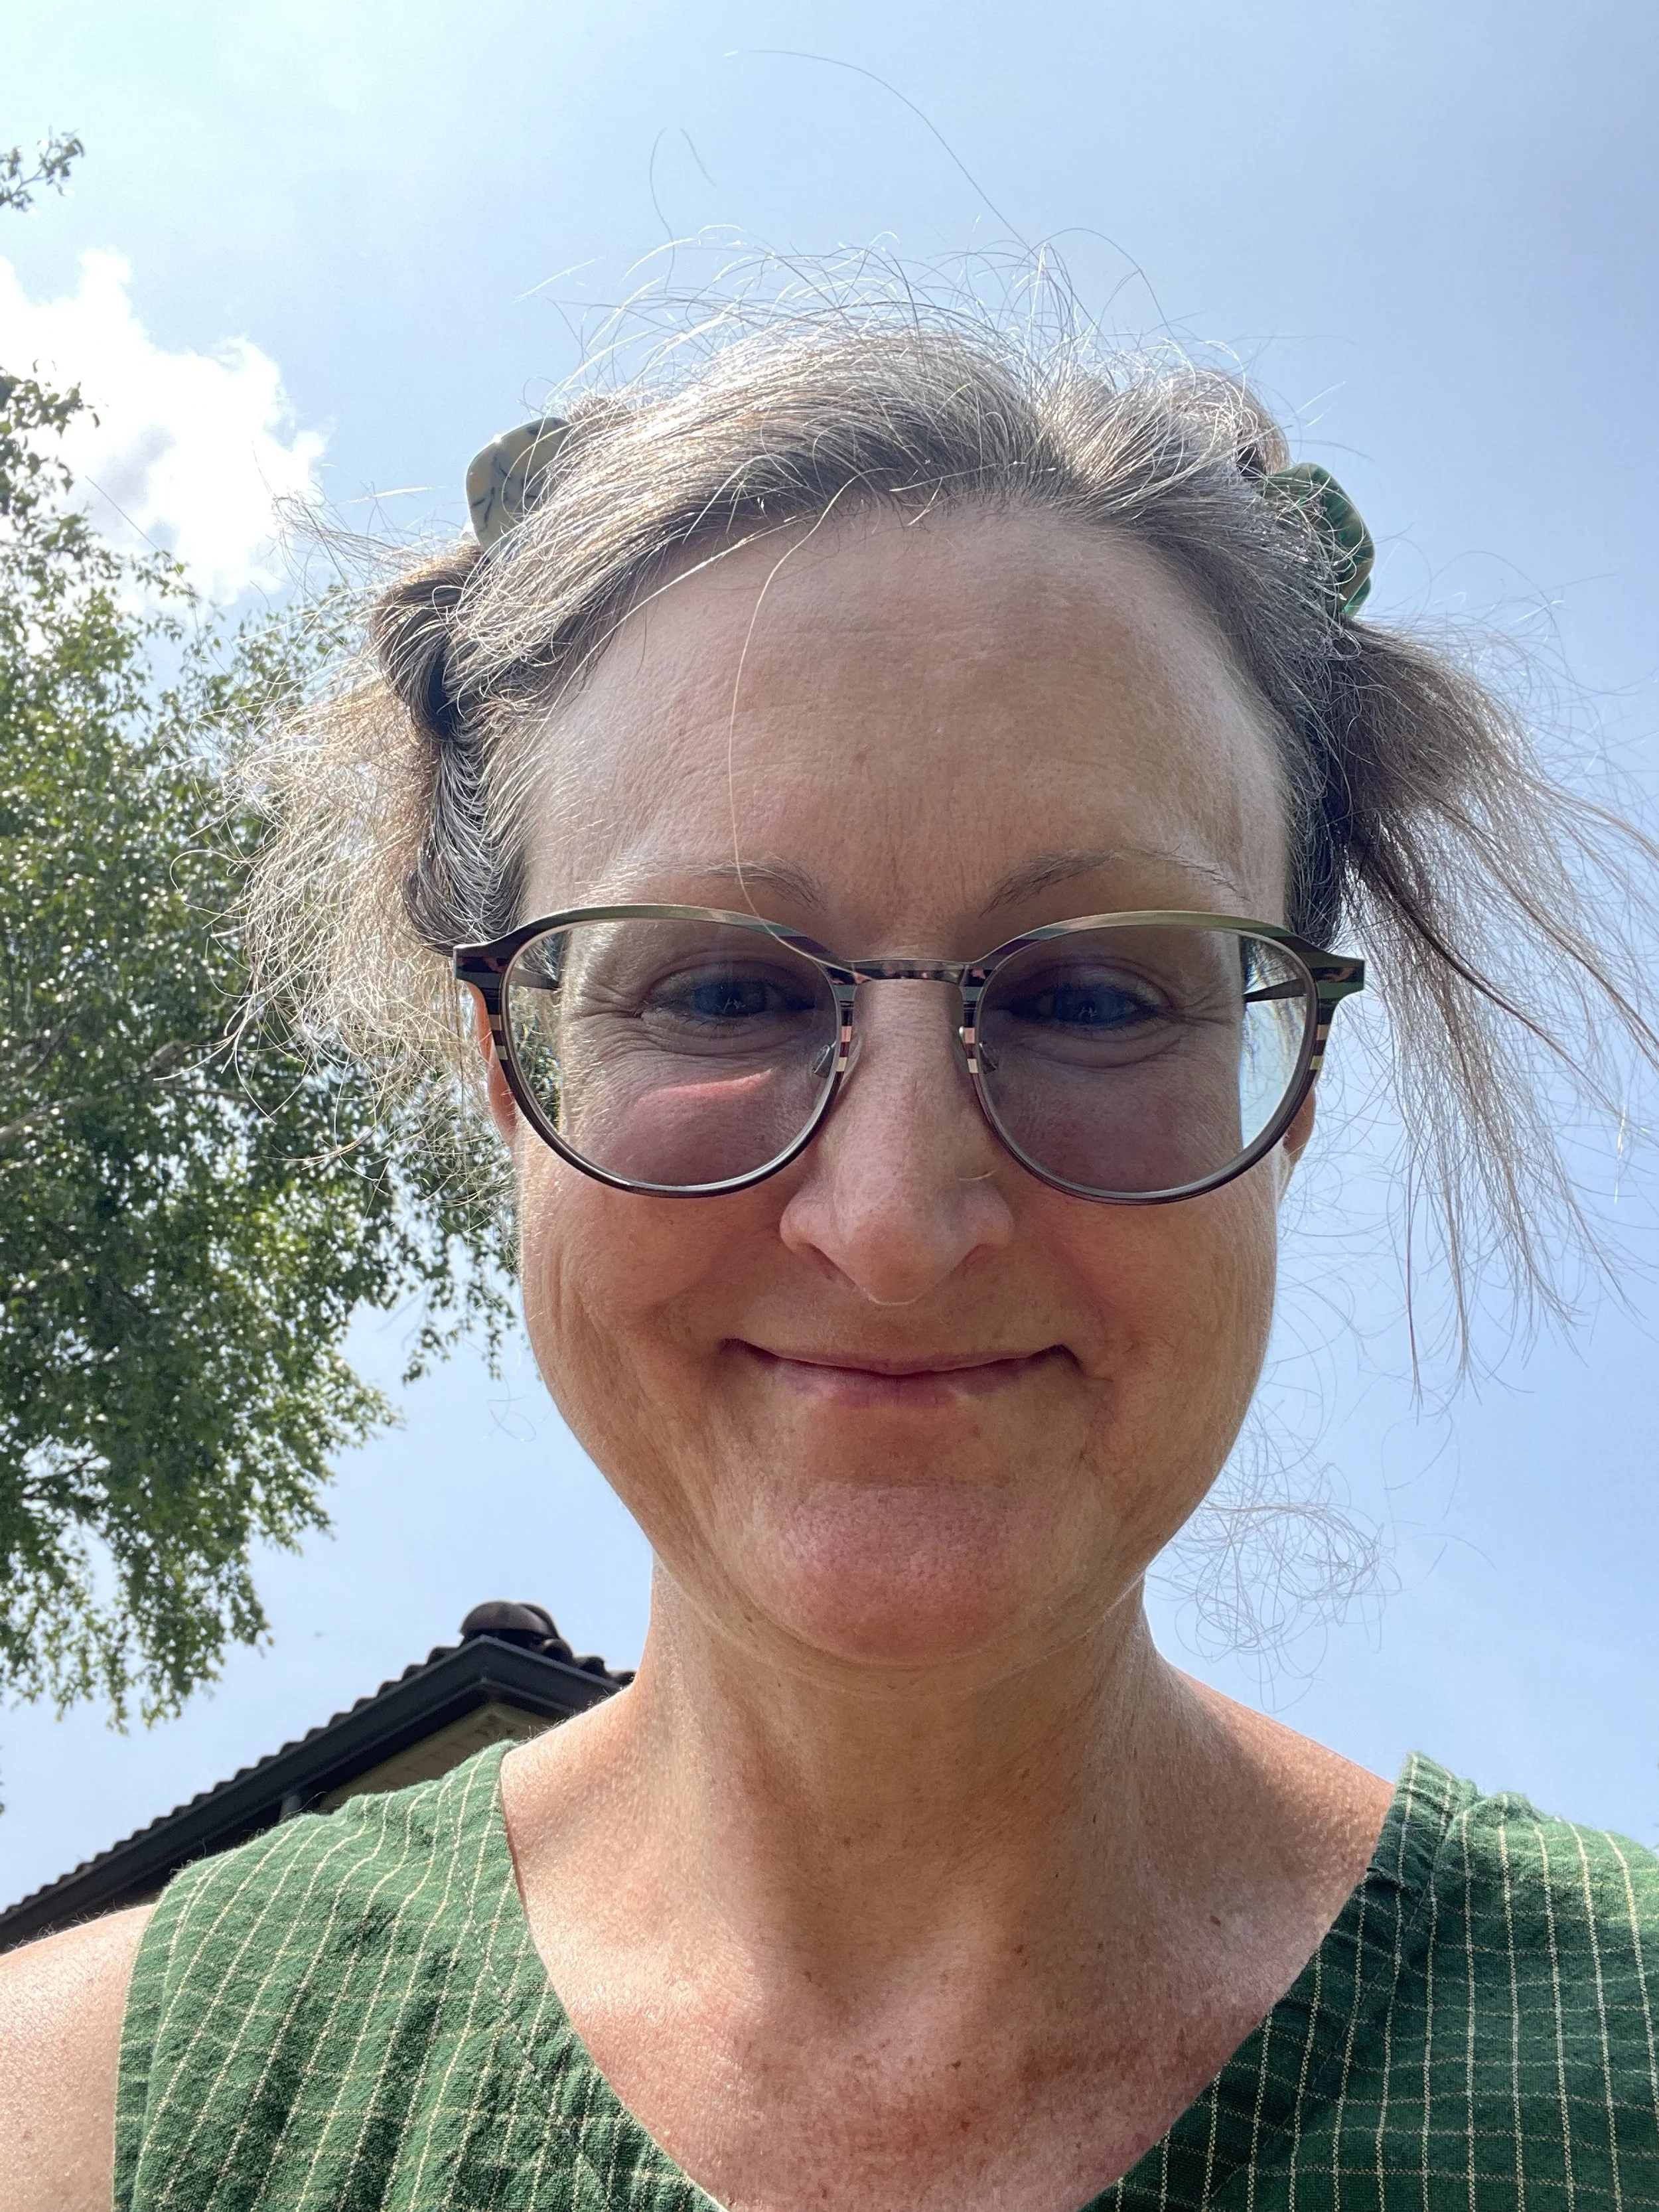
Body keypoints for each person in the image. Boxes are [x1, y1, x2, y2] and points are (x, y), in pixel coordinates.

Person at [4, 315, 1656, 2212]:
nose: (887, 1224)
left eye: (1098, 991)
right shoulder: (85, 2125)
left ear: (1284, 1089)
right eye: (714, 986)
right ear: (507, 1063)